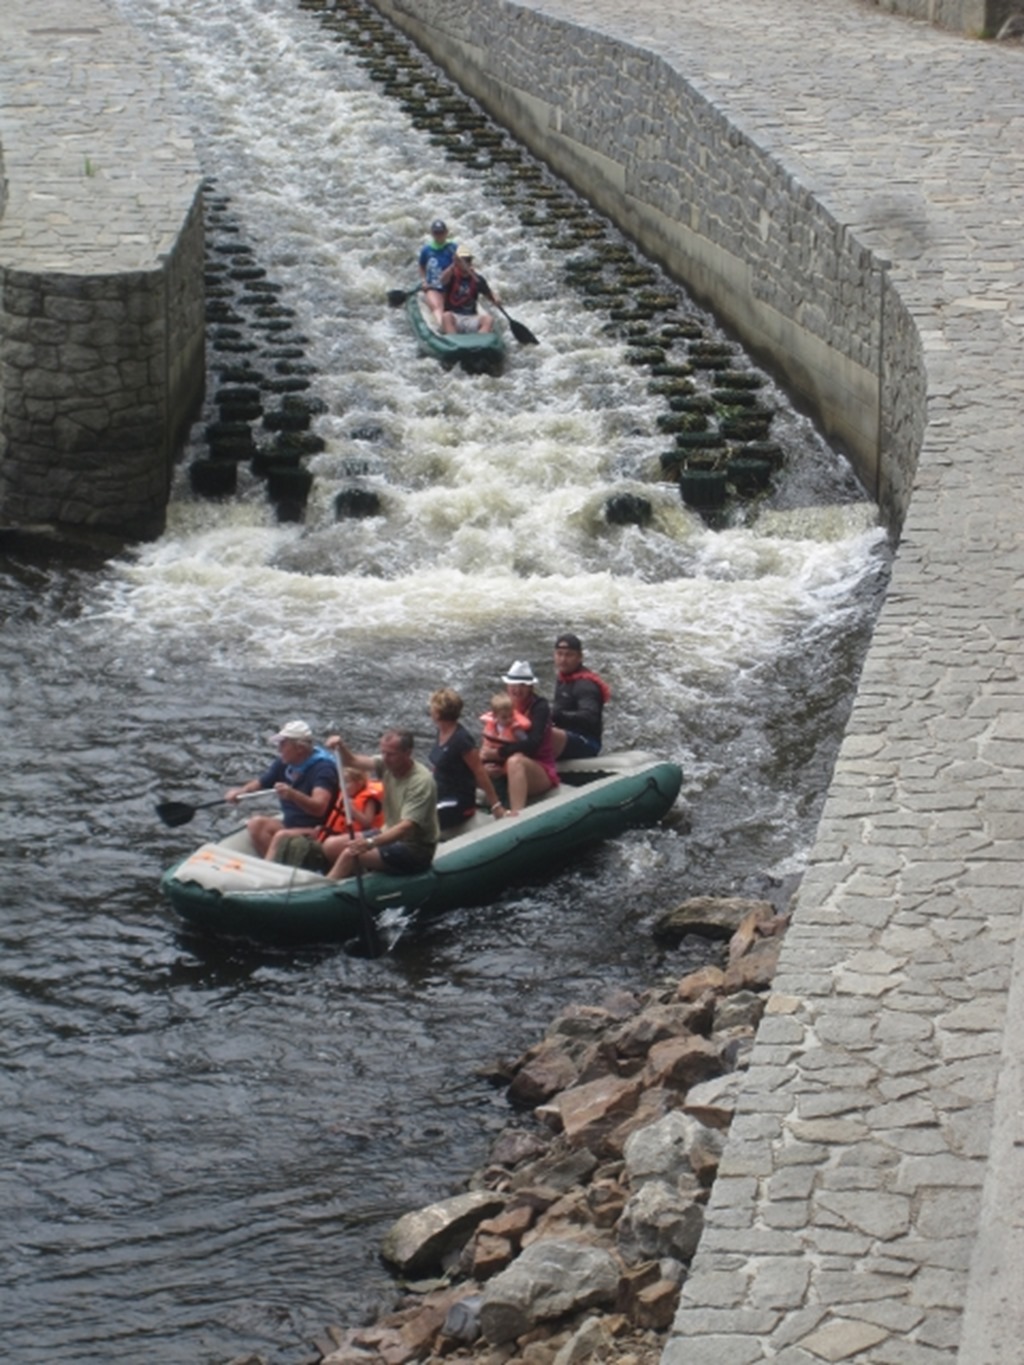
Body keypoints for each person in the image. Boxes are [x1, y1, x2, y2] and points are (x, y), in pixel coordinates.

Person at [321, 729, 439, 881]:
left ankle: (325, 889)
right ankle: (353, 878)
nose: (385, 758)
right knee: (330, 845)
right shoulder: (386, 764)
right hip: (387, 833)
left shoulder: (421, 782)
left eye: (391, 754)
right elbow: (352, 761)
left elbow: (406, 827)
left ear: (407, 753)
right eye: (383, 752)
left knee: (350, 854)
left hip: (414, 849)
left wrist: (370, 843)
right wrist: (340, 747)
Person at [225, 719, 338, 858]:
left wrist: (293, 795)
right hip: (292, 825)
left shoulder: (323, 769)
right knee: (256, 824)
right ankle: (278, 864)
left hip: (318, 830)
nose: (279, 749)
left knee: (280, 835)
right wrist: (241, 792)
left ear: (300, 748)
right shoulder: (285, 763)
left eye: (283, 744)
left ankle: (272, 868)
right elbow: (261, 783)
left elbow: (319, 809)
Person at [264, 765, 384, 866]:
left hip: (350, 837)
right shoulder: (343, 795)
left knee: (296, 843)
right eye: (342, 782)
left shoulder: (369, 800)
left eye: (347, 783)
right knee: (285, 838)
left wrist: (353, 810)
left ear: (359, 782)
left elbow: (367, 823)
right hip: (329, 833)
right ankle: (272, 867)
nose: (343, 786)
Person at [481, 661, 559, 814]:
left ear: (530, 687)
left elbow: (532, 744)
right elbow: (489, 742)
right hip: (502, 767)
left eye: (522, 685)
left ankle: (516, 815)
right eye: (513, 685)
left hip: (538, 769)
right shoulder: (502, 707)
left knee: (515, 761)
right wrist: (485, 763)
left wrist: (499, 754)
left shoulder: (539, 707)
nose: (517, 689)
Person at [428, 687, 506, 832]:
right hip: (440, 792)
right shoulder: (440, 731)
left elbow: (479, 771)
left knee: (422, 817)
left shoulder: (461, 740)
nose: (430, 712)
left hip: (458, 800)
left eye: (431, 708)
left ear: (438, 713)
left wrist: (496, 805)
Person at [551, 632, 611, 759]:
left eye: (569, 655)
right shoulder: (563, 678)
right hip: (566, 735)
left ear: (580, 657)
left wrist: (559, 716)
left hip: (587, 742)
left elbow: (590, 717)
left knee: (546, 735)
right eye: (559, 654)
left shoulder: (586, 685)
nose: (563, 659)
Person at [441, 244, 500, 335]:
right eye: (462, 260)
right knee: (446, 316)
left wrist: (496, 299)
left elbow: (489, 294)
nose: (465, 262)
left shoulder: (477, 279)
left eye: (468, 260)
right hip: (454, 317)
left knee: (488, 319)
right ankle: (453, 340)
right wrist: (453, 264)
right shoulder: (451, 275)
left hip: (471, 317)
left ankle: (480, 341)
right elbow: (442, 280)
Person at [479, 691, 530, 778]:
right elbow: (485, 744)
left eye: (511, 715)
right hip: (492, 756)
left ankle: (503, 775)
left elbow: (526, 745)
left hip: (508, 757)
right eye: (504, 717)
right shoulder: (490, 726)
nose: (509, 719)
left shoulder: (516, 730)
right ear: (495, 716)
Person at [418, 218, 458, 326]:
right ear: (432, 233)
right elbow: (421, 265)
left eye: (441, 232)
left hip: (450, 286)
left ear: (446, 233)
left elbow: (463, 264)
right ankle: (442, 326)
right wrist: (424, 281)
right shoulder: (426, 250)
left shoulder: (453, 248)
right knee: (437, 307)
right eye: (436, 233)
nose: (439, 235)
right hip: (433, 287)